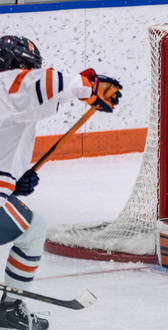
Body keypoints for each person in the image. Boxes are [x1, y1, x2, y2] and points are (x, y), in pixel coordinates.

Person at [0, 35, 122, 329]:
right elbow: (51, 82)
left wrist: (11, 182)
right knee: (33, 229)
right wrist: (91, 87)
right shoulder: (9, 83)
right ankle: (11, 306)